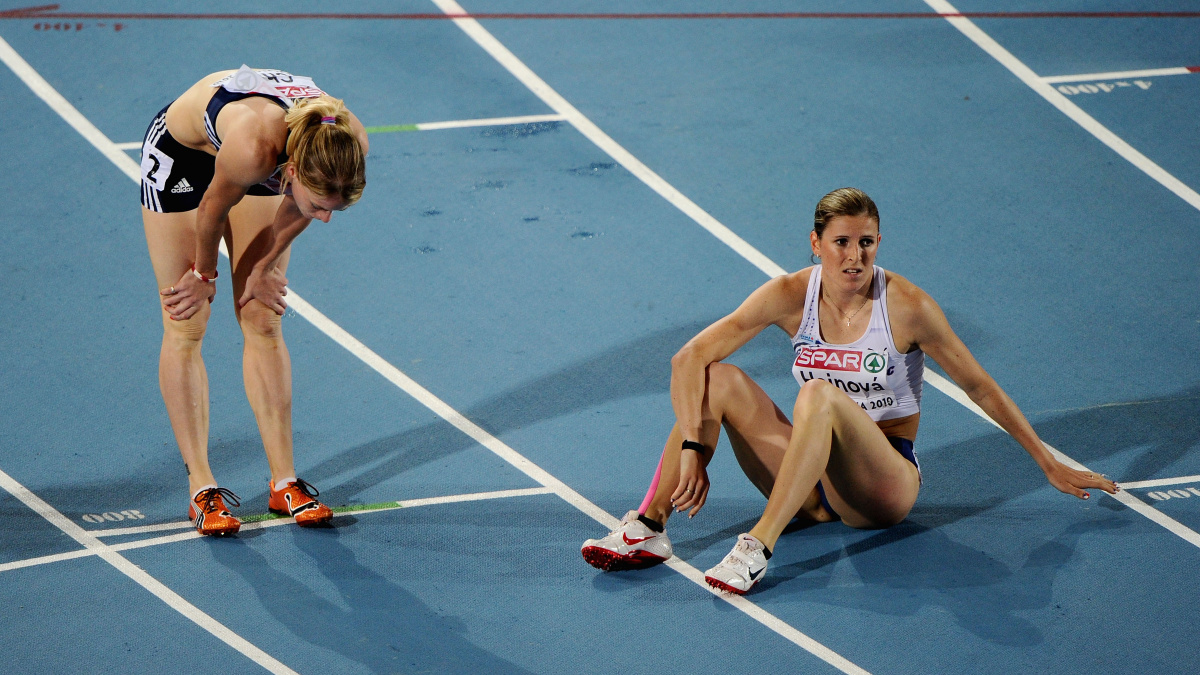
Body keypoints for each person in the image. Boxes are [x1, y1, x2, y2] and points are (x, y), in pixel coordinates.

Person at [581, 187, 1118, 593]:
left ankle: (757, 546)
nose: (854, 257)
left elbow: (979, 385)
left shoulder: (907, 305)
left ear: (878, 243)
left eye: (865, 243)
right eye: (841, 243)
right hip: (810, 483)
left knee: (818, 395)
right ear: (816, 245)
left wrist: (1046, 461)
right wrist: (697, 448)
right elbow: (688, 358)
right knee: (717, 379)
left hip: (881, 486)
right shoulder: (791, 294)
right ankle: (651, 526)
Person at [140, 65, 368, 535]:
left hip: (262, 163)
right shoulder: (255, 149)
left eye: (335, 209)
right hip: (184, 156)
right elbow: (212, 208)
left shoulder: (347, 147)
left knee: (262, 315)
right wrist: (204, 274)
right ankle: (201, 490)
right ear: (293, 173)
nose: (325, 219)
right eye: (321, 205)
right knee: (186, 318)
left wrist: (264, 266)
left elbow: (300, 206)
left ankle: (284, 482)